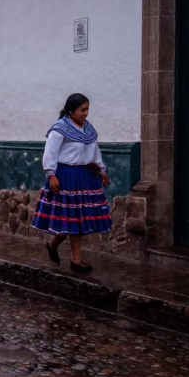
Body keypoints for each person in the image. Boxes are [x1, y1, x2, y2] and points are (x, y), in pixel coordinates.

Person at [31, 93, 112, 273]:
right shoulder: (60, 129)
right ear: (71, 110)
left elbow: (95, 152)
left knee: (79, 219)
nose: (85, 113)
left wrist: (102, 171)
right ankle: (77, 260)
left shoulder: (88, 129)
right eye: (82, 109)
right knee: (72, 218)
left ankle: (54, 245)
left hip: (86, 176)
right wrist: (51, 174)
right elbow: (50, 152)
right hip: (66, 176)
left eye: (87, 109)